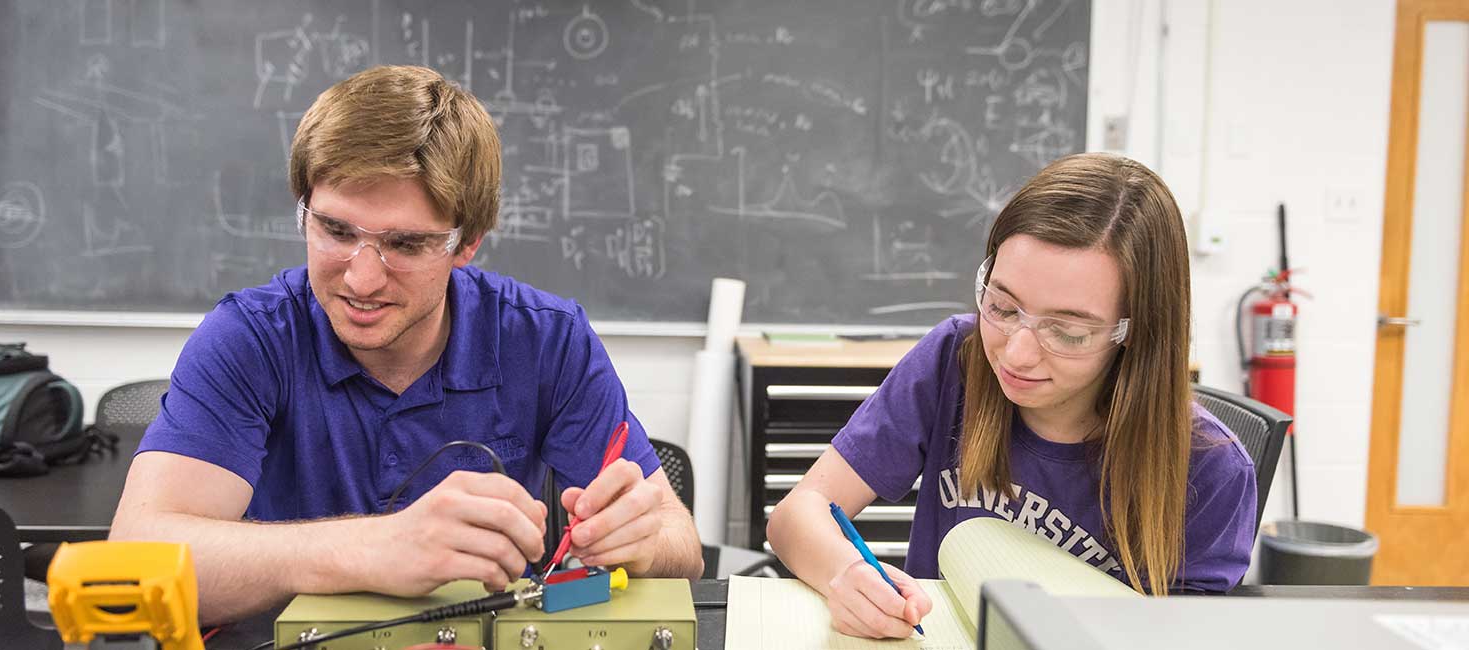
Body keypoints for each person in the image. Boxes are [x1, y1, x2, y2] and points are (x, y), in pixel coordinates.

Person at [109, 65, 703, 624]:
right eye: (335, 230)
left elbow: (684, 549)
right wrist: (372, 547)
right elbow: (133, 566)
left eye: (408, 245)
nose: (362, 280)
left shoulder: (546, 340)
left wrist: (646, 540)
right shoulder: (250, 339)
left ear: (467, 243)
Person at [765, 153, 1257, 639]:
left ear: (1136, 330)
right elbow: (797, 514)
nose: (1017, 355)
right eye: (1001, 306)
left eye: (1067, 332)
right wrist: (846, 575)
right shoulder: (956, 360)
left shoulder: (1210, 471)